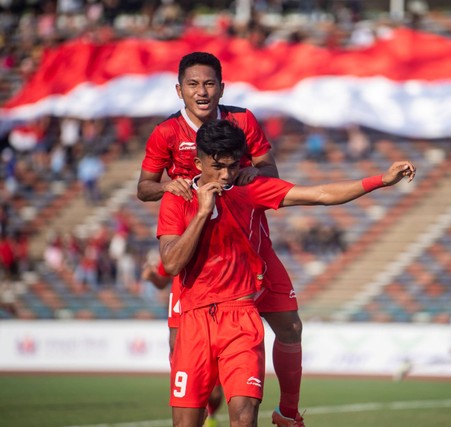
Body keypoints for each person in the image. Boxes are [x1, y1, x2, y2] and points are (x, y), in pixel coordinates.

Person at [158, 119, 415, 427]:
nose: (227, 175)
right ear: (198, 162)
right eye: (218, 167)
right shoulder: (177, 198)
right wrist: (202, 212)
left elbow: (320, 194)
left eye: (233, 165)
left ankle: (287, 413)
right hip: (194, 320)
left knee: (243, 419)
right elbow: (172, 264)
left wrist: (381, 181)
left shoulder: (249, 188)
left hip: (240, 317)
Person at [136, 51, 297, 426]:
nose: (202, 91)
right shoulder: (165, 132)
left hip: (243, 237)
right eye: (193, 84)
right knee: (182, 344)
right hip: (194, 238)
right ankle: (204, 411)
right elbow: (143, 188)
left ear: (221, 87)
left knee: (289, 325)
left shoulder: (242, 119)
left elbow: (269, 168)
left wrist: (250, 175)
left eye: (209, 83)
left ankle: (289, 412)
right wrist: (168, 186)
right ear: (180, 90)